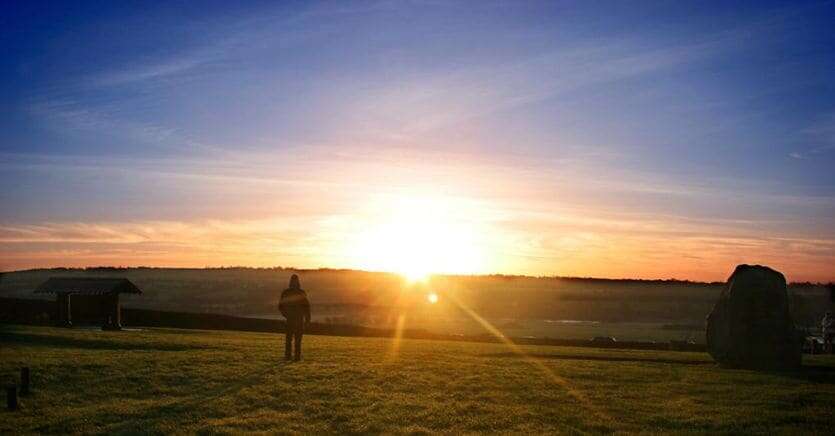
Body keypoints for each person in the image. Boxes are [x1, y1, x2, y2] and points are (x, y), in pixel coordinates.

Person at [279, 274, 311, 361]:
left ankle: (288, 356)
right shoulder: (301, 292)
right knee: (297, 340)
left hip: (291, 319)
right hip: (297, 319)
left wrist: (286, 315)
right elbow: (307, 307)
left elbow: (281, 306)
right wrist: (307, 319)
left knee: (289, 340)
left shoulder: (286, 292)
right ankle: (296, 357)